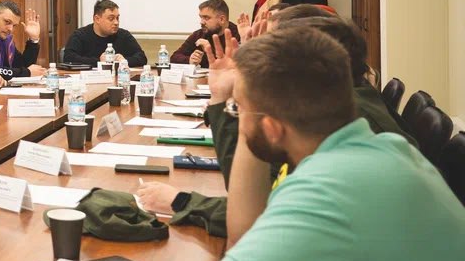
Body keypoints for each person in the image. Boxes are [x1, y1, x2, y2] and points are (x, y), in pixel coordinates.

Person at [187, 27, 465, 261]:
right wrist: (252, 111)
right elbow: (247, 236)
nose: (238, 117)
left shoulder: (329, 189)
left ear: (272, 127)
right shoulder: (386, 149)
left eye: (239, 110)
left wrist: (250, 119)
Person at [138, 15, 411, 232]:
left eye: (268, 48)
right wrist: (228, 97)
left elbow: (260, 219)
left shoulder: (340, 138)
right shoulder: (342, 113)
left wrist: (181, 202)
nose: (258, 61)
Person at [61, 0, 147, 67]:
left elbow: (142, 57)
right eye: (111, 18)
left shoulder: (123, 35)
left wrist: (124, 61)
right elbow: (69, 58)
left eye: (117, 18)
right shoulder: (80, 35)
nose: (116, 22)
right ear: (97, 19)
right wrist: (99, 61)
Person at [170, 0, 240, 67]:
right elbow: (174, 57)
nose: (202, 22)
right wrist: (189, 60)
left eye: (206, 18)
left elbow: (238, 65)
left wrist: (209, 50)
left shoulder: (238, 35)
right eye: (201, 17)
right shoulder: (199, 34)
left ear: (222, 19)